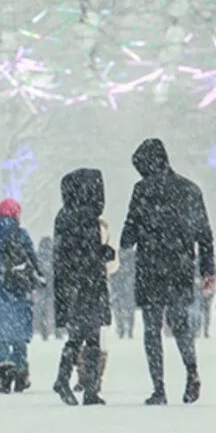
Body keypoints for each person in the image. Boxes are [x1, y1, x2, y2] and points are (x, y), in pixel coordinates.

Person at [120, 138, 214, 405]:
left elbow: (129, 232)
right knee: (179, 322)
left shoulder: (141, 190)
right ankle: (191, 371)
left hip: (150, 266)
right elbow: (204, 233)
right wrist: (207, 268)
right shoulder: (189, 189)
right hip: (180, 265)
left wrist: (128, 240)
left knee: (152, 328)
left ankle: (158, 388)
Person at [52, 169, 115, 406]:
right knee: (84, 337)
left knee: (85, 337)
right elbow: (81, 253)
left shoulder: (67, 215)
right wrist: (102, 253)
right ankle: (72, 382)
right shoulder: (83, 217)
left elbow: (68, 253)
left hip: (76, 285)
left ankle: (86, 387)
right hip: (85, 284)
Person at [0, 198, 41, 393]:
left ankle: (5, 376)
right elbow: (32, 259)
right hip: (18, 289)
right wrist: (37, 277)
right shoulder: (21, 234)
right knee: (19, 334)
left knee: (1, 335)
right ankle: (21, 374)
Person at [110, 247, 137, 339]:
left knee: (119, 308)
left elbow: (111, 270)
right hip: (127, 283)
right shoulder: (132, 255)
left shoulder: (116, 253)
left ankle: (122, 329)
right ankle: (127, 329)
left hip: (120, 283)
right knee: (128, 308)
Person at [33, 236, 56, 341]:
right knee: (51, 310)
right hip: (52, 287)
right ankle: (51, 329)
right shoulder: (54, 256)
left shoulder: (37, 257)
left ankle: (40, 328)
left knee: (39, 309)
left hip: (40, 287)